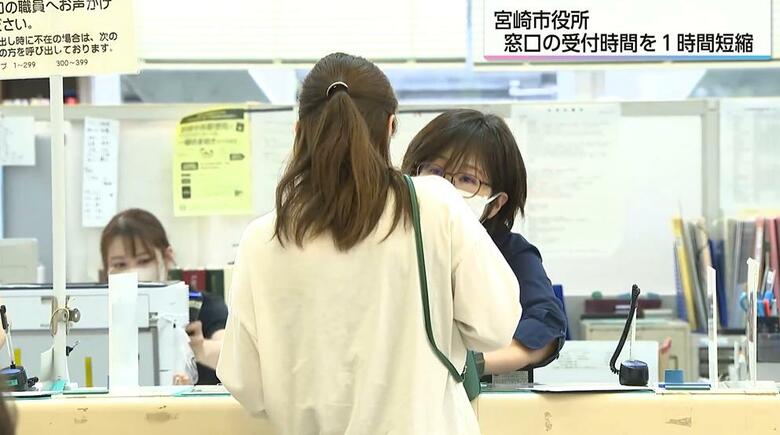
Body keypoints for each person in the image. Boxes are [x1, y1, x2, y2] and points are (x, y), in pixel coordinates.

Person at [217, 52, 520, 435]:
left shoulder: (263, 238)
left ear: (298, 131)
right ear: (390, 126)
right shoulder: (435, 205)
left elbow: (245, 384)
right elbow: (494, 328)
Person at [401, 109, 568, 376]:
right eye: (434, 171)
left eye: (467, 179)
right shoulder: (392, 240)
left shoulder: (510, 251)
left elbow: (546, 324)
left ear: (496, 203)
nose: (445, 188)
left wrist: (468, 365)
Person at [100, 208, 228, 385]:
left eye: (144, 260)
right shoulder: (99, 313)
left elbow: (232, 356)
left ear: (167, 257)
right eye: (120, 264)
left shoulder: (200, 305)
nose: (132, 271)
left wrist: (199, 347)